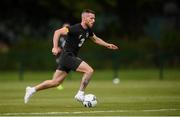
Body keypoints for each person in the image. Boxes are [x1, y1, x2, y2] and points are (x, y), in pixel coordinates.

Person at [24, 9, 119, 104]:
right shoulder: (75, 28)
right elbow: (57, 32)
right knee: (89, 70)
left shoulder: (88, 30)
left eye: (94, 18)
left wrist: (107, 45)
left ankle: (32, 90)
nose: (93, 20)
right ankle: (80, 94)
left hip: (68, 57)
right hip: (67, 56)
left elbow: (95, 39)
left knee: (55, 82)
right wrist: (55, 47)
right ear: (84, 18)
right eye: (91, 18)